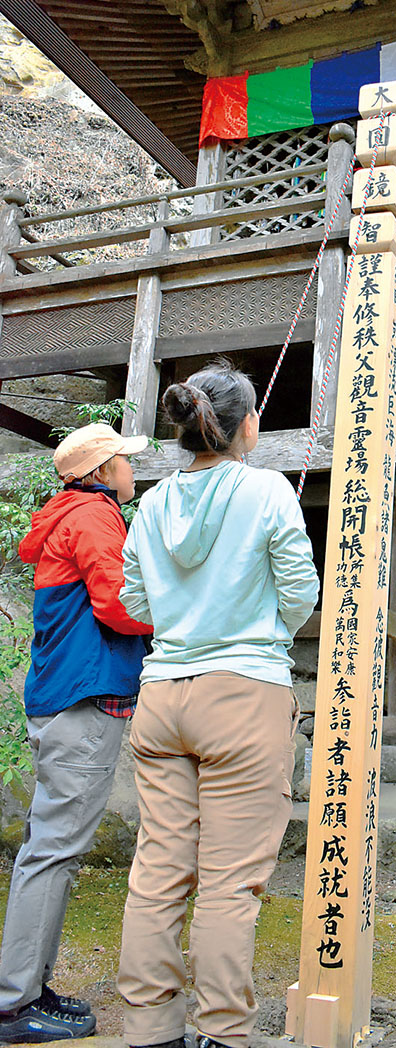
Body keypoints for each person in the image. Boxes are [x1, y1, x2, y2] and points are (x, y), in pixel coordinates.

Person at [116, 360, 319, 1048]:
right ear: (247, 427)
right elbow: (299, 592)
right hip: (243, 693)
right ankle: (222, 1031)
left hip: (162, 693)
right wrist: (257, 629)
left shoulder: (149, 505)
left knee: (159, 870)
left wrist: (185, 622)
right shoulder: (265, 491)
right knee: (231, 883)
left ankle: (149, 1029)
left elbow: (135, 601)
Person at [0, 423, 152, 1043]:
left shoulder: (65, 513)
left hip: (58, 698)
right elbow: (118, 606)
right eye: (124, 460)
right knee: (53, 851)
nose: (131, 470)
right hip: (81, 703)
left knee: (48, 847)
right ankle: (15, 1004)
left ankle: (27, 988)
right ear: (101, 471)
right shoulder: (93, 516)